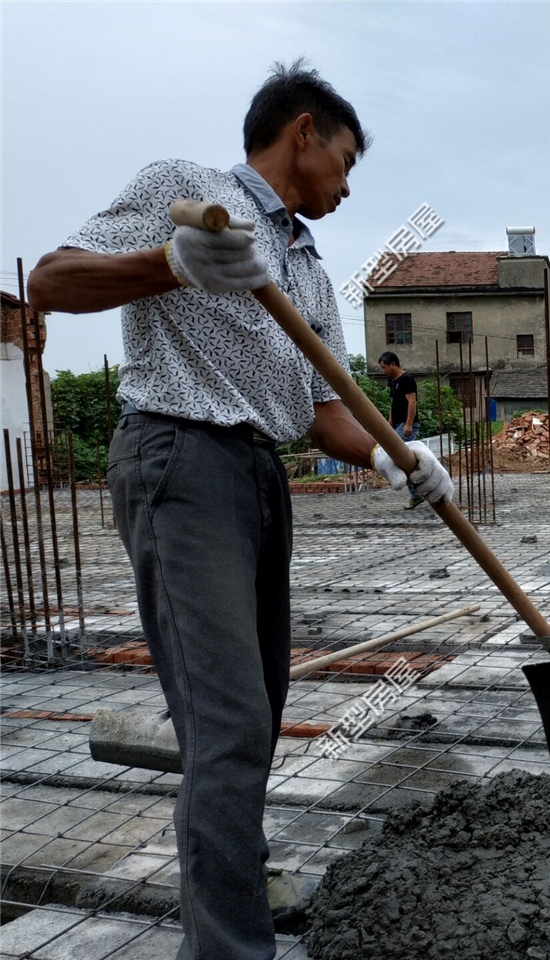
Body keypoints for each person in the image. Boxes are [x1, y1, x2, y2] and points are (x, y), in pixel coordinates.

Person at [27, 60, 451, 960]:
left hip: (260, 472)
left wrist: (392, 454)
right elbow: (52, 282)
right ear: (303, 132)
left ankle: (242, 875)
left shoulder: (309, 269)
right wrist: (169, 264)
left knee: (256, 707)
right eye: (344, 162)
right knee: (227, 719)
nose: (346, 186)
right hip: (179, 459)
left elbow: (324, 409)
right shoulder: (186, 191)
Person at [377, 351, 428, 509]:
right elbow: (393, 404)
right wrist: (390, 422)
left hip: (406, 425)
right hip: (397, 424)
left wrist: (409, 424)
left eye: (384, 367)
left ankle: (419, 491)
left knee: (398, 457)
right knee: (403, 460)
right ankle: (417, 493)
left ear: (393, 364)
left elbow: (412, 402)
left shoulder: (407, 379)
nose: (383, 371)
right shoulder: (394, 382)